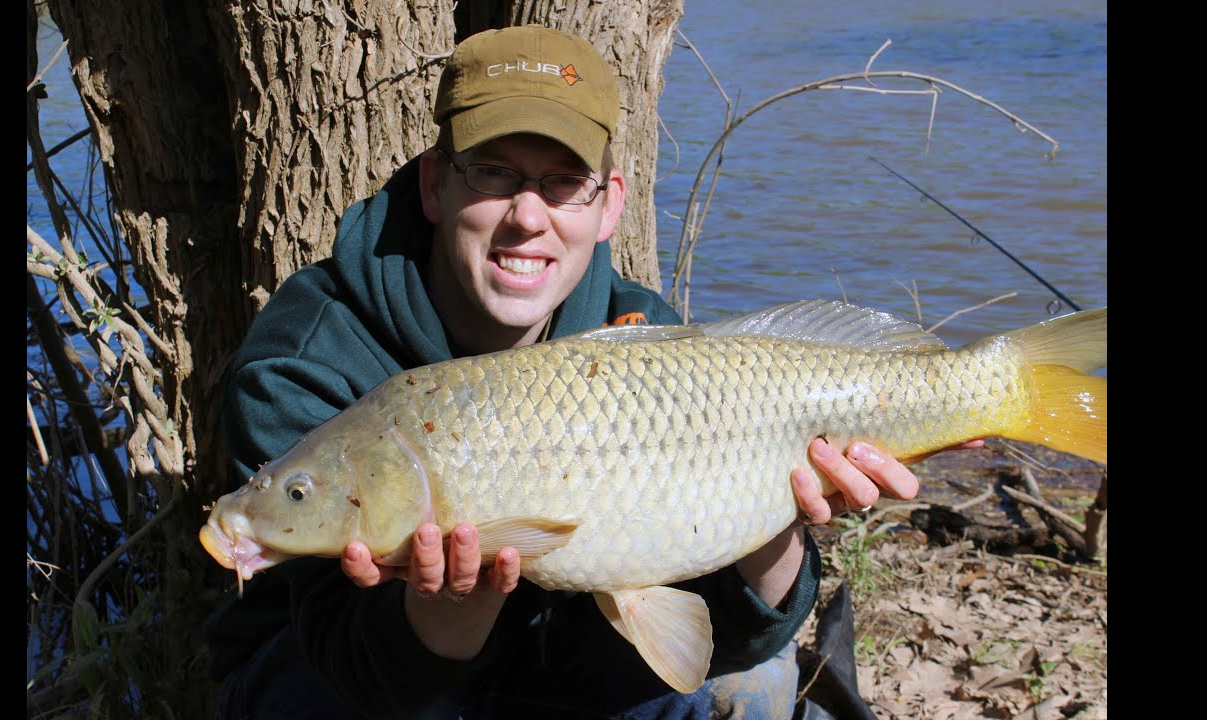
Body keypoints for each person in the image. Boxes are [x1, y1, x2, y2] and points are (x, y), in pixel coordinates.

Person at [203, 24, 974, 719]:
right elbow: (349, 668)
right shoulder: (307, 361)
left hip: (558, 653)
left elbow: (731, 639)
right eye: (493, 172)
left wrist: (778, 521)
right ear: (435, 183)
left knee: (748, 684)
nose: (527, 215)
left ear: (608, 207)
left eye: (564, 183)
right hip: (338, 678)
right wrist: (453, 602)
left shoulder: (643, 340)